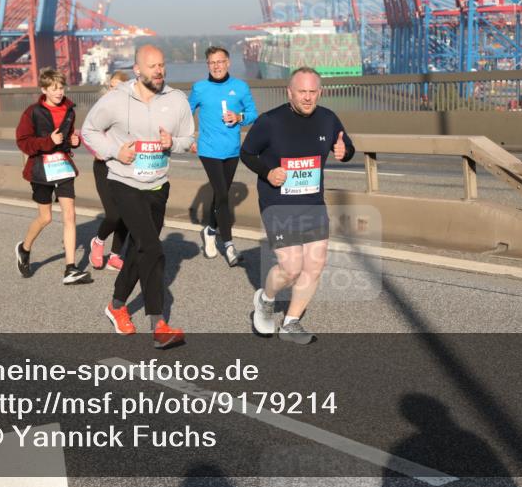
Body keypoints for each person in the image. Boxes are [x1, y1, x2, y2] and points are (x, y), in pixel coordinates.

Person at [82, 45, 195, 348]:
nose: (160, 71)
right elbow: (89, 130)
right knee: (153, 248)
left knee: (138, 250)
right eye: (153, 66)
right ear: (137, 70)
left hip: (158, 186)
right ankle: (158, 324)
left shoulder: (176, 100)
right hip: (124, 183)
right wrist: (113, 151)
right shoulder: (116, 99)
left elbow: (188, 139)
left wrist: (173, 143)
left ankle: (116, 306)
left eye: (162, 65)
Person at [240, 67, 354, 344]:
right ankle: (266, 300)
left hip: (312, 203)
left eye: (312, 91)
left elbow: (346, 147)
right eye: (301, 91)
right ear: (289, 92)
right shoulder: (270, 121)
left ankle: (291, 322)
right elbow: (247, 153)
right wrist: (267, 172)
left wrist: (345, 152)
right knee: (290, 268)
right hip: (278, 202)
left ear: (320, 92)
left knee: (314, 266)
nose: (307, 97)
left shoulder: (328, 119)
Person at [14, 68, 91, 285]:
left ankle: (70, 268)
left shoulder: (70, 110)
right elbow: (23, 142)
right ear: (44, 89)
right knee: (46, 217)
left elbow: (65, 139)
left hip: (63, 167)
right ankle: (24, 248)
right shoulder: (32, 112)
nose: (59, 92)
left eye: (61, 88)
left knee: (70, 216)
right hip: (40, 170)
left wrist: (72, 142)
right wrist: (48, 141)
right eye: (54, 89)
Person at [188, 46, 257, 266]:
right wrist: (189, 138)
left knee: (221, 196)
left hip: (232, 150)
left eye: (220, 62)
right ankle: (229, 246)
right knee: (223, 195)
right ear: (208, 65)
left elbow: (253, 114)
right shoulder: (199, 88)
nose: (217, 66)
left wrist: (239, 117)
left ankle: (209, 230)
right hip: (208, 150)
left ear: (228, 63)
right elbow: (185, 114)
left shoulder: (240, 87)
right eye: (212, 62)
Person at [87, 70, 130, 271]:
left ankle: (115, 255)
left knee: (128, 214)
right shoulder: (101, 107)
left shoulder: (132, 109)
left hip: (125, 165)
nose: (113, 90)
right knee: (113, 214)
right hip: (104, 166)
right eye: (111, 86)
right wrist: (96, 150)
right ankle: (98, 241)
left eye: (117, 87)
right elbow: (87, 132)